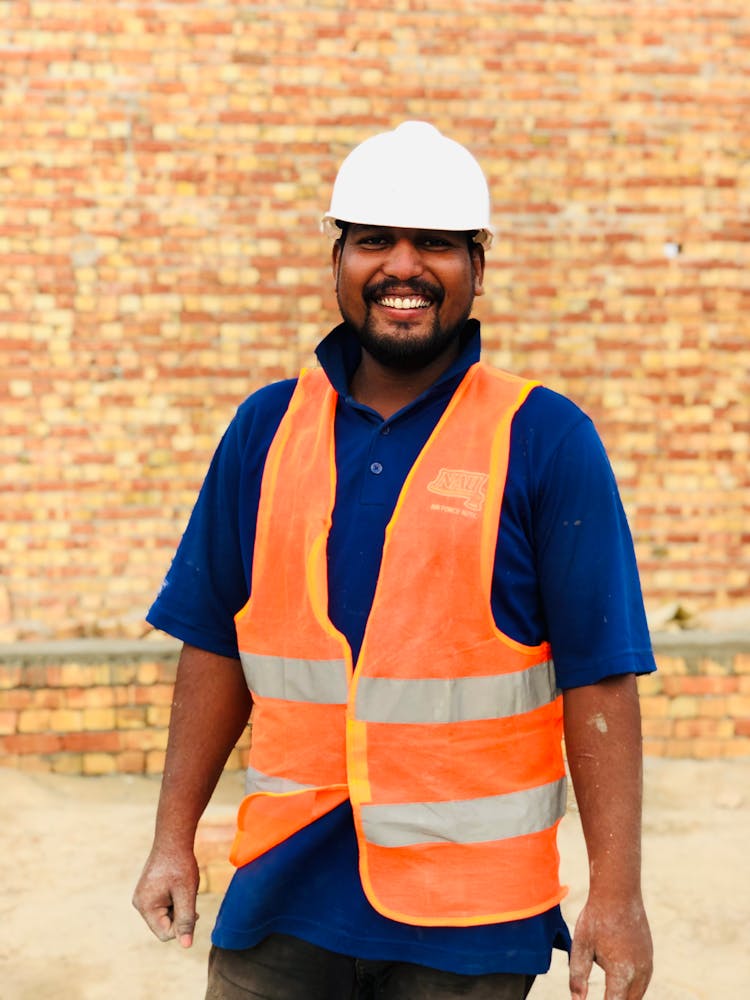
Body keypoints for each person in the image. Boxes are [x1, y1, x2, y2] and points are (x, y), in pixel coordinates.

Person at [133, 121, 655, 1000]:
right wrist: (171, 838)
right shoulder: (265, 429)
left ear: (477, 269)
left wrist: (617, 892)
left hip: (472, 925)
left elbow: (600, 678)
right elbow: (214, 643)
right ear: (339, 260)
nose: (403, 267)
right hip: (281, 898)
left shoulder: (544, 439)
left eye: (437, 245)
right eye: (375, 239)